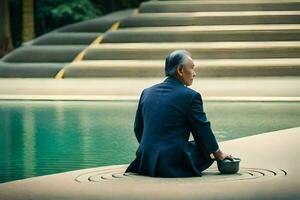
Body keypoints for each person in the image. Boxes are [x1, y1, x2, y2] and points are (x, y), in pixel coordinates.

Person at [125, 50, 233, 177]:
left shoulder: (146, 92)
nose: (194, 73)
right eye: (192, 68)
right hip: (171, 163)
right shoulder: (191, 96)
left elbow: (138, 128)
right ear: (180, 70)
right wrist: (219, 154)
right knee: (204, 146)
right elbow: (202, 130)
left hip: (145, 160)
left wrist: (152, 150)